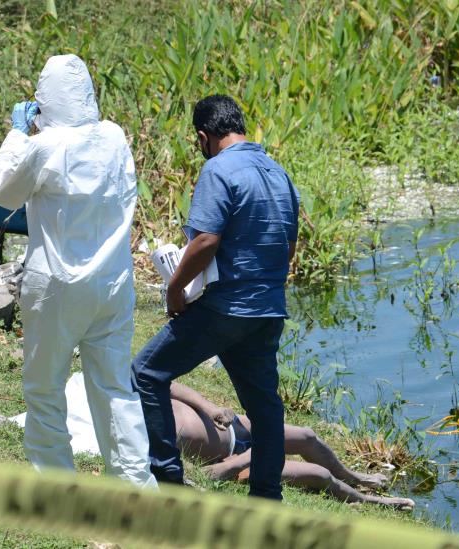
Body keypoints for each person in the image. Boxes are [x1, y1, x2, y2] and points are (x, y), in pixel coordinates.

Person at [0, 54, 156, 488]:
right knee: (116, 390)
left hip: (56, 285)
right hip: (112, 283)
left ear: (45, 101)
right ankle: (136, 490)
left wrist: (18, 133)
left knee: (45, 388)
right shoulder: (114, 137)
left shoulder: (45, 146)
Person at [132, 95, 299, 500]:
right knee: (265, 407)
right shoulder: (278, 173)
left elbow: (206, 239)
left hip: (226, 309)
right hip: (268, 310)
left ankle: (167, 476)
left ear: (204, 136)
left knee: (147, 372)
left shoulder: (218, 169)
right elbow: (289, 244)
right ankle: (267, 497)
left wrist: (174, 288)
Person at [170, 382, 415, 510]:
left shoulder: (137, 391)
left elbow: (170, 385)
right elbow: (199, 477)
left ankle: (354, 476)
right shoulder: (140, 450)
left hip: (236, 426)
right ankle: (363, 499)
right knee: (319, 475)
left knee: (307, 436)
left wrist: (209, 407)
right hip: (234, 462)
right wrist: (245, 460)